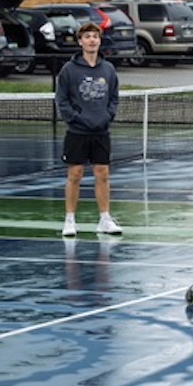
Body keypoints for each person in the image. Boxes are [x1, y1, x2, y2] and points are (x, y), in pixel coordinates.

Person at [55, 22, 122, 238]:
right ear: (80, 42)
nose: (92, 40)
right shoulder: (69, 70)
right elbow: (62, 101)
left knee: (102, 174)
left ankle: (104, 218)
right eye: (87, 37)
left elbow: (113, 98)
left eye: (95, 36)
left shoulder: (108, 70)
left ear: (99, 41)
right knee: (75, 174)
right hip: (77, 132)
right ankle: (69, 220)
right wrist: (76, 119)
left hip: (101, 131)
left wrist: (107, 116)